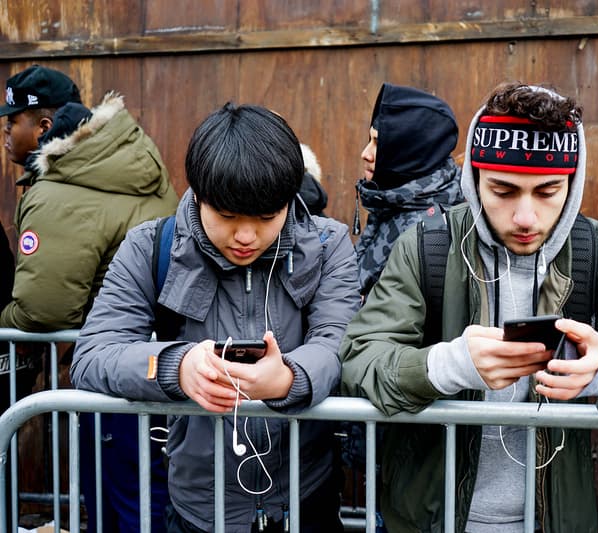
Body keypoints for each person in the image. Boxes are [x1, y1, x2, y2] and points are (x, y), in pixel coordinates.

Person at [340, 81, 598, 533]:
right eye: (502, 190)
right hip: (428, 519)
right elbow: (359, 360)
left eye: (547, 192)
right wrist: (447, 366)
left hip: (555, 521)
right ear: (473, 177)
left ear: (573, 184)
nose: (525, 218)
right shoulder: (427, 246)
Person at [70, 103, 360, 532]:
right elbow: (92, 355)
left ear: (290, 199)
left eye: (266, 218)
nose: (245, 236)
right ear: (199, 194)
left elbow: (339, 340)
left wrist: (291, 378)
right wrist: (175, 366)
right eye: (226, 217)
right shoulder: (151, 247)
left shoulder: (329, 244)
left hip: (305, 494)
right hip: (198, 504)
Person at [0, 64, 179, 532]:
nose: (5, 133)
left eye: (11, 122)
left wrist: (4, 318)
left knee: (119, 504)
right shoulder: (135, 161)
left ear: (42, 127)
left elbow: (43, 310)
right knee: (151, 497)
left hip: (109, 366)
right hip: (164, 359)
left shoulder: (60, 191)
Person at [353, 82, 463, 297]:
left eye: (378, 143)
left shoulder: (427, 227)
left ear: (409, 152)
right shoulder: (395, 200)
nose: (365, 153)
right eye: (369, 140)